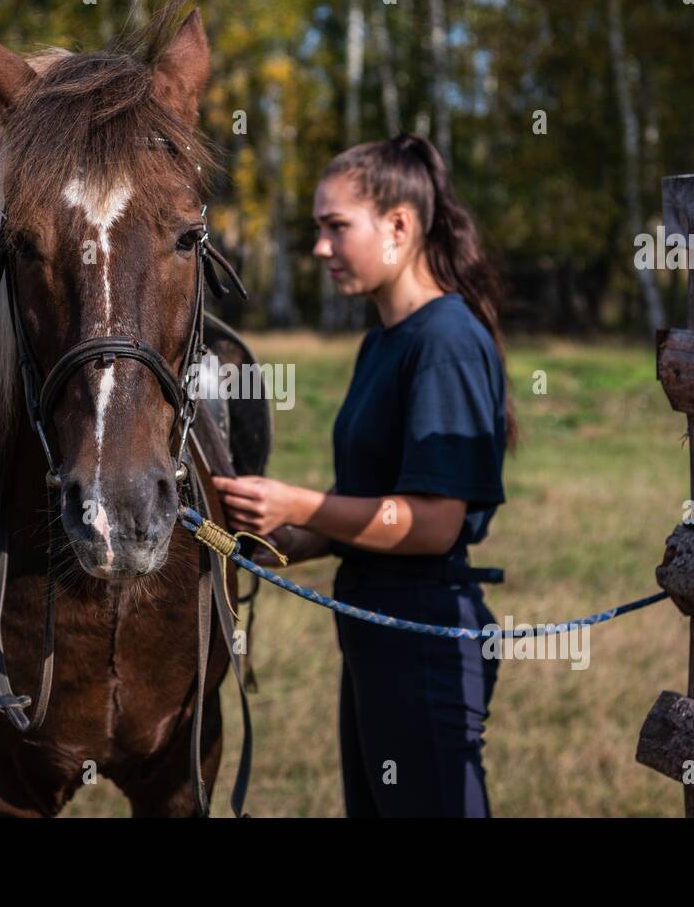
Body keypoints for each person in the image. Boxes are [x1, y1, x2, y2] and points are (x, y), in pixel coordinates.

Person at [214, 133, 518, 817]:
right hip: (377, 639)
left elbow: (434, 524)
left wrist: (299, 501)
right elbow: (382, 511)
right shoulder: (383, 340)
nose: (320, 248)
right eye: (317, 229)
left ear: (400, 226)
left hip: (425, 640)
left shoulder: (445, 342)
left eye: (335, 227)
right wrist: (289, 537)